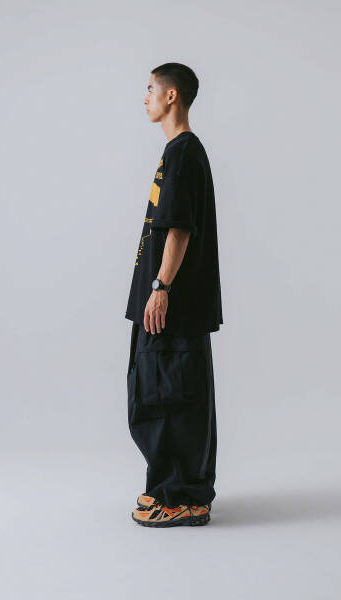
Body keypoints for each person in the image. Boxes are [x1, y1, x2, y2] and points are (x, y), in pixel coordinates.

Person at [125, 62, 223, 528]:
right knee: (155, 393)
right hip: (163, 303)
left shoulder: (184, 152)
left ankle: (183, 496)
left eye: (150, 89)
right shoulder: (178, 152)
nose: (144, 97)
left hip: (172, 306)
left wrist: (160, 287)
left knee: (172, 397)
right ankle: (168, 486)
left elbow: (180, 228)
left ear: (171, 96)